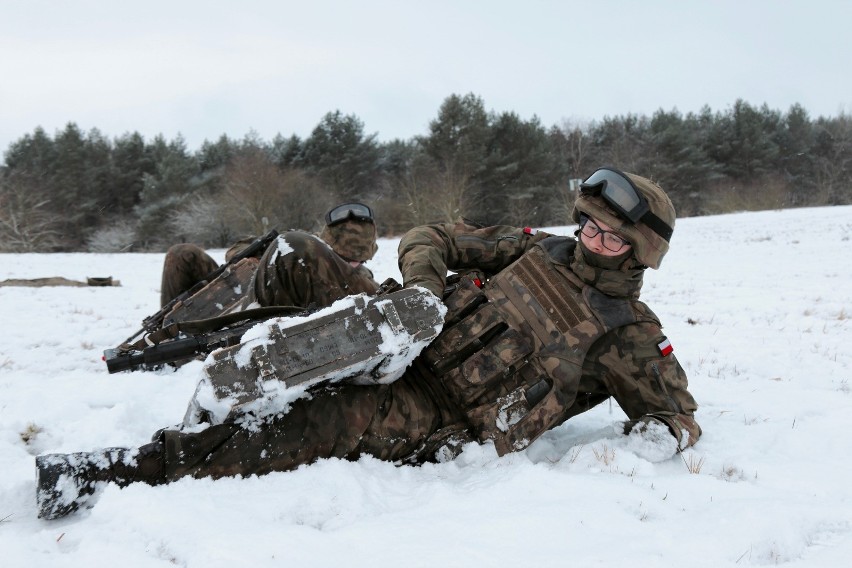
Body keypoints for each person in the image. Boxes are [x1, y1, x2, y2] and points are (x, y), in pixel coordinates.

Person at [36, 168, 701, 519]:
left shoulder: (630, 332)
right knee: (303, 303)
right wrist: (423, 291)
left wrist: (650, 440)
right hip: (406, 336)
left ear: (639, 252)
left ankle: (126, 466)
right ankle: (248, 359)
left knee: (317, 422)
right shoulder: (532, 248)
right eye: (588, 226)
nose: (591, 241)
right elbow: (431, 237)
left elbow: (677, 415)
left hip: (442, 414)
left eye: (611, 237)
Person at [157, 202, 380, 316]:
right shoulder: (296, 250)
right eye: (337, 257)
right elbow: (235, 251)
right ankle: (166, 332)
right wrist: (261, 257)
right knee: (182, 253)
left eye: (354, 263)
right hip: (224, 295)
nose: (344, 265)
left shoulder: (358, 281)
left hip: (244, 319)